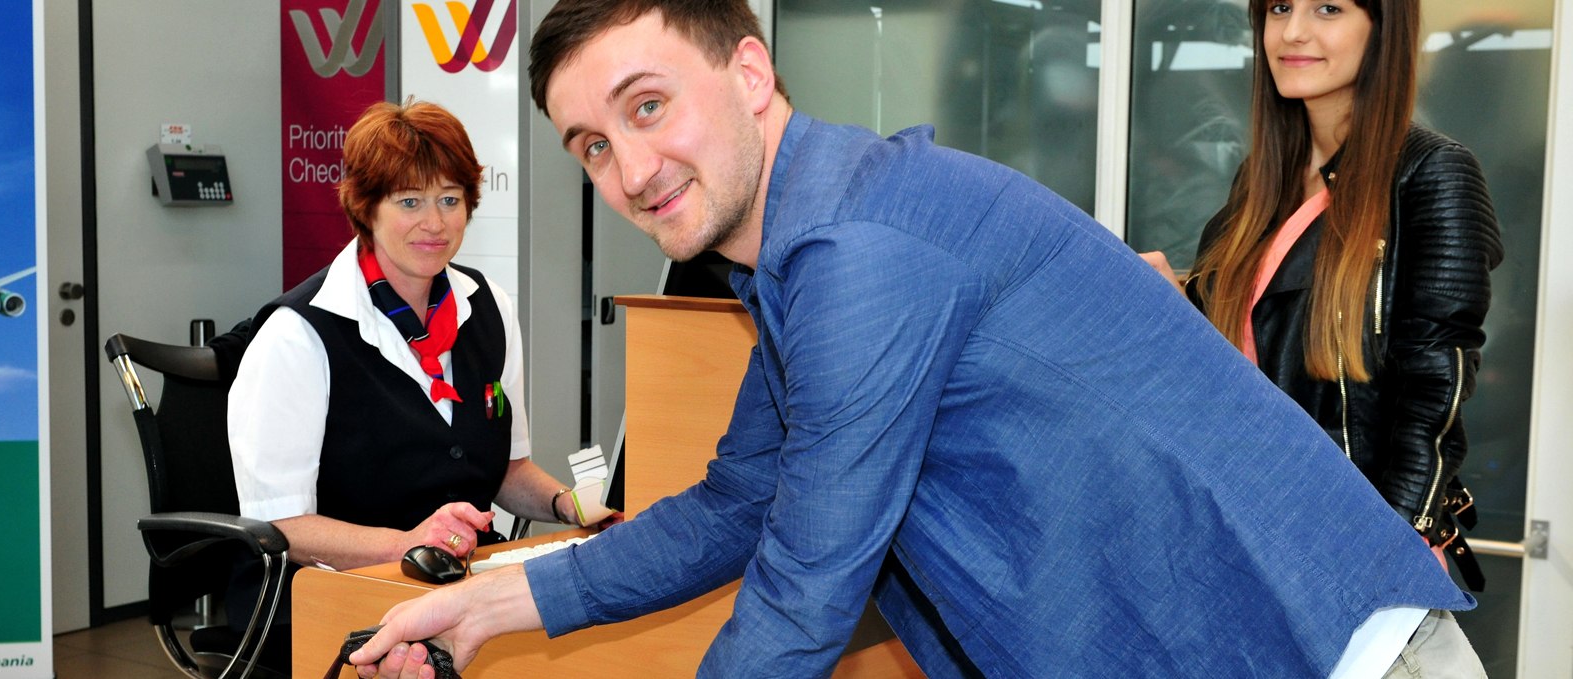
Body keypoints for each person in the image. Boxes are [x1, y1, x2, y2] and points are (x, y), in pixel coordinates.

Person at [350, 2, 1477, 677]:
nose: (630, 172)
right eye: (589, 146)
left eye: (648, 107)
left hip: (1323, 648)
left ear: (750, 72)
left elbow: (803, 589)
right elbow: (740, 503)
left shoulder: (860, 249)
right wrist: (492, 600)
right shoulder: (812, 248)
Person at [224, 100, 594, 670]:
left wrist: (570, 507)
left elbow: (507, 470)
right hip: (325, 597)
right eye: (409, 201)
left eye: (450, 199)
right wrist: (406, 545)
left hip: (454, 588)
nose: (435, 222)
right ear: (365, 207)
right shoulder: (298, 334)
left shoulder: (488, 306)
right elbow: (282, 525)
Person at [1146, 0, 1502, 592]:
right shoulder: (1262, 183)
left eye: (1328, 9)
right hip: (1251, 540)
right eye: (1279, 7)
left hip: (1357, 556)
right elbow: (1238, 368)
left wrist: (1383, 549)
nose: (1293, 32)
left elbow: (1434, 390)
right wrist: (1174, 305)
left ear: (1382, 28)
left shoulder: (1430, 172)